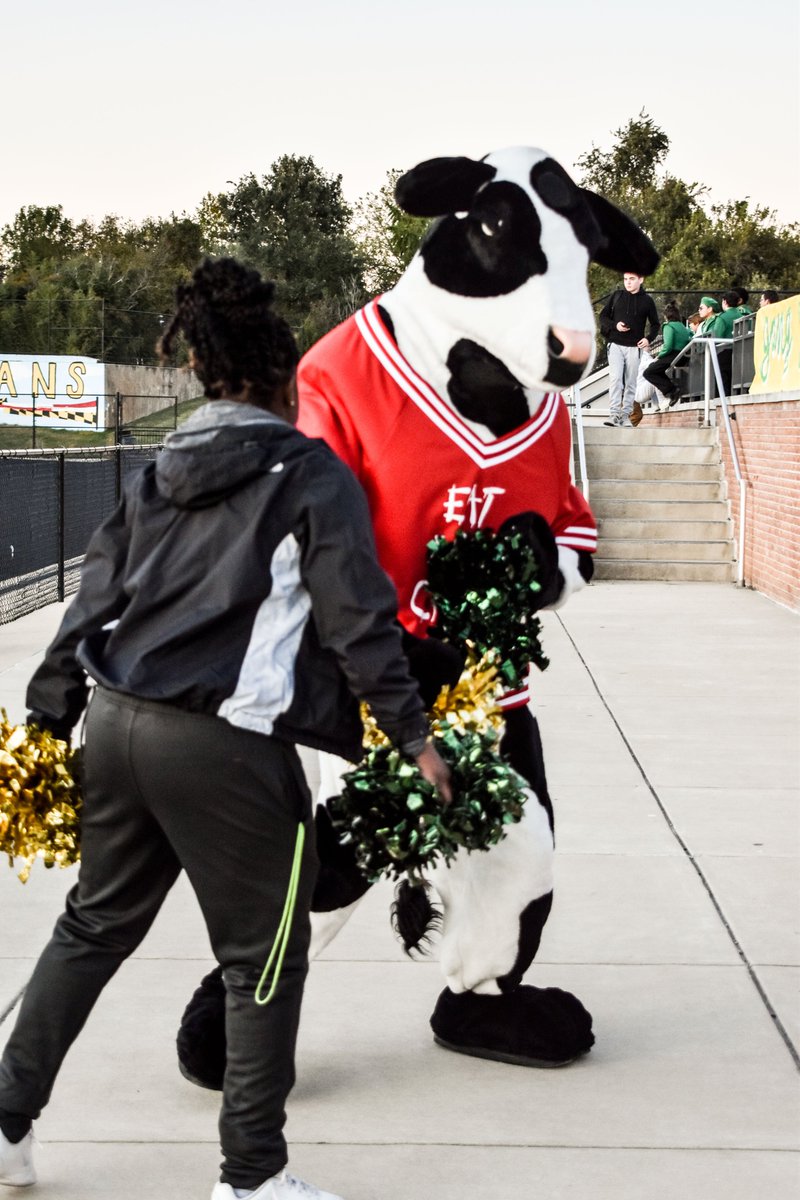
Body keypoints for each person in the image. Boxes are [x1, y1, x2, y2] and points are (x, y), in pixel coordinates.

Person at [0, 259, 451, 1200]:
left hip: (118, 725)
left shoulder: (160, 470)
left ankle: (4, 1128)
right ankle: (252, 1180)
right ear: (283, 379)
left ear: (204, 376)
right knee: (262, 958)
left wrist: (49, 717)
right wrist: (413, 738)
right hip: (224, 747)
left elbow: (93, 599)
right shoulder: (308, 475)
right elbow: (358, 622)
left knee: (90, 930)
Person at [599, 271, 659, 427]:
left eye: (632, 279)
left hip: (635, 347)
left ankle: (625, 416)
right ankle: (614, 415)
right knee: (616, 379)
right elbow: (603, 317)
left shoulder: (647, 301)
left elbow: (655, 325)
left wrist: (648, 339)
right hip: (615, 344)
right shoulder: (617, 296)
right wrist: (615, 325)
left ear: (641, 279)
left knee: (631, 382)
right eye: (625, 279)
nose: (628, 282)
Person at [642, 300, 692, 405]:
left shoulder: (668, 326)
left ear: (666, 316)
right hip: (683, 355)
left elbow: (668, 346)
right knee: (657, 370)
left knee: (648, 372)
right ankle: (671, 390)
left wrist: (659, 356)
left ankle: (672, 390)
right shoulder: (682, 326)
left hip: (673, 354)